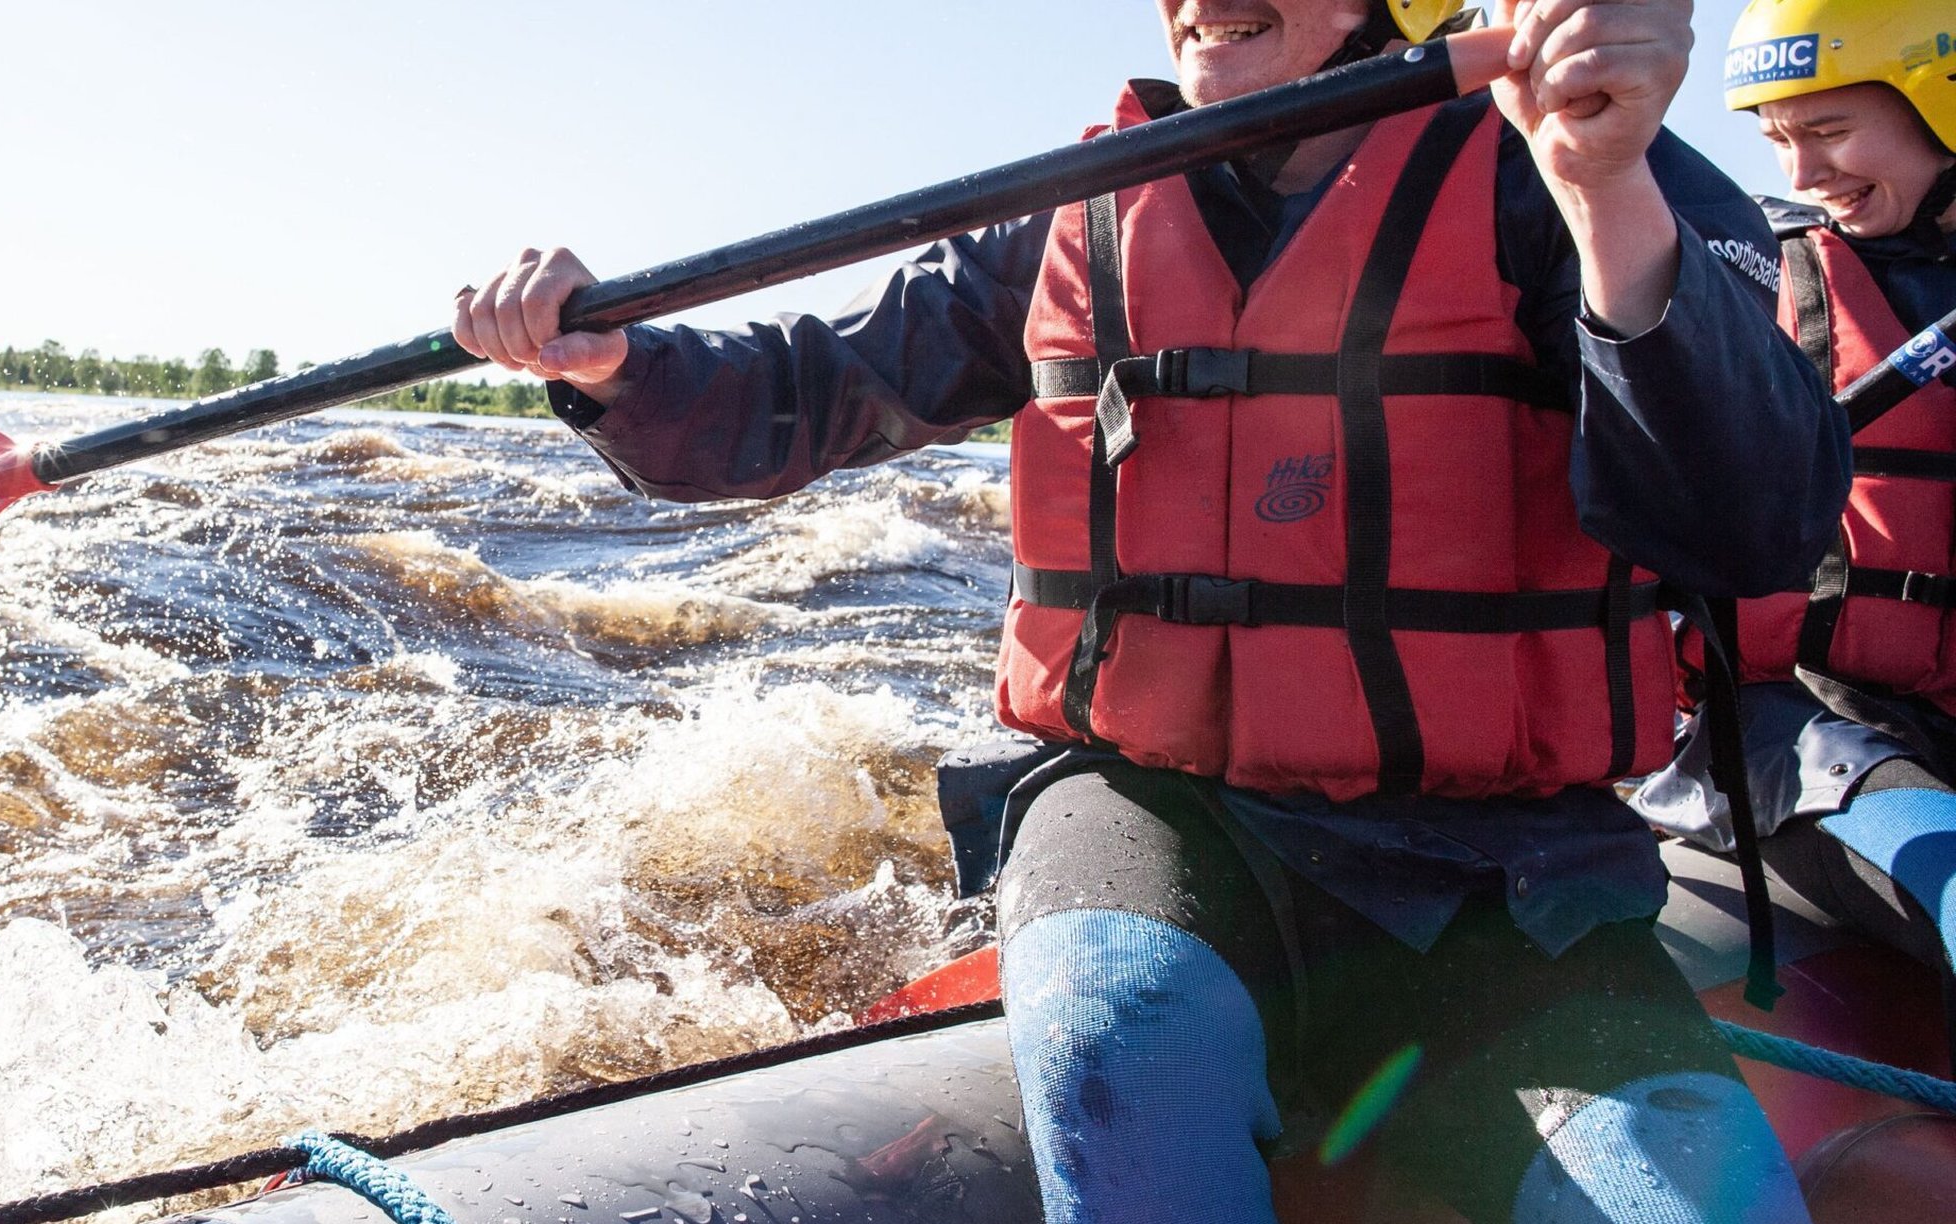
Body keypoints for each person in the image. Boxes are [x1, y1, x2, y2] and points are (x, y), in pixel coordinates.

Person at [454, 0, 1849, 1218]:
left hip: (1503, 870)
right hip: (1156, 808)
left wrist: (1605, 195)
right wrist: (618, 364)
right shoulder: (1086, 207)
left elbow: (1757, 525)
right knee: (1116, 1031)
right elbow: (818, 389)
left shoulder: (1586, 171)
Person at [1631, 0, 1956, 1053]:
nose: (1803, 171)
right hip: (1802, 733)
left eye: (1827, 131)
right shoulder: (1756, 280)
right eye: (1781, 139)